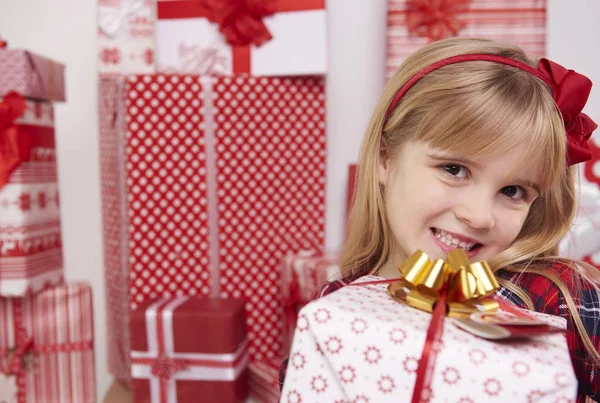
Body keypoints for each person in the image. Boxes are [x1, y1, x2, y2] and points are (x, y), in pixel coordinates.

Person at [279, 38, 599, 401]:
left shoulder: (562, 296)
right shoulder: (334, 310)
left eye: (513, 191)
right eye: (454, 169)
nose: (478, 216)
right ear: (386, 158)